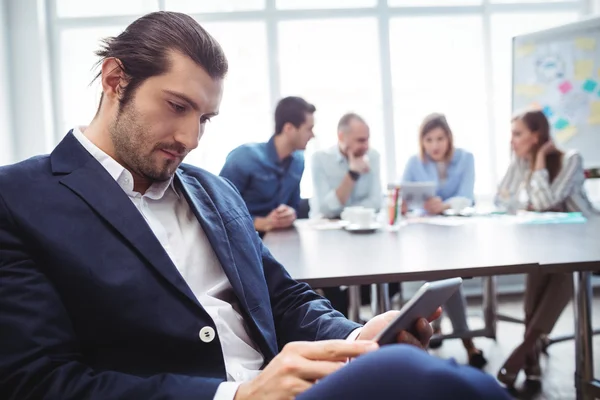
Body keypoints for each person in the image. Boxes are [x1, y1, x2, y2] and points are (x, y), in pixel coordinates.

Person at [0, 12, 512, 400]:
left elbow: (284, 299)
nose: (190, 137)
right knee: (427, 381)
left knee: (439, 378)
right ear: (116, 81)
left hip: (298, 387)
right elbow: (38, 380)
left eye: (205, 119)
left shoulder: (214, 191)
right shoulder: (19, 199)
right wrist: (237, 395)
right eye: (178, 107)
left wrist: (356, 335)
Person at [495, 109, 599, 390]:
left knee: (563, 273)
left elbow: (544, 203)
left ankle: (525, 349)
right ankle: (531, 354)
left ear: (536, 135)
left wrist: (539, 162)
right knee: (536, 274)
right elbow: (501, 200)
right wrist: (523, 169)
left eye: (518, 134)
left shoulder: (570, 159)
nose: (512, 140)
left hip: (585, 243)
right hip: (548, 242)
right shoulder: (520, 161)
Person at [401, 113, 487, 369]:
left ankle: (452, 336)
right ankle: (465, 340)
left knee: (447, 280)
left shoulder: (465, 158)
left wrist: (445, 205)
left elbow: (468, 198)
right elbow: (405, 198)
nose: (435, 145)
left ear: (449, 138)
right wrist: (405, 205)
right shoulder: (414, 162)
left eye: (440, 138)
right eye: (429, 139)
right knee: (444, 281)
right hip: (425, 237)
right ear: (422, 141)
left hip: (456, 236)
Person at [220, 96, 315, 234]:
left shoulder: (298, 162)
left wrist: (290, 214)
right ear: (289, 128)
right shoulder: (243, 158)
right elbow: (219, 209)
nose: (312, 135)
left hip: (279, 239)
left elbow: (293, 205)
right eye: (309, 129)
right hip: (244, 240)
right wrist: (258, 223)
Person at [310, 112, 382, 218]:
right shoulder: (320, 159)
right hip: (328, 230)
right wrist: (352, 174)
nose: (366, 146)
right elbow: (325, 210)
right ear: (341, 137)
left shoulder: (372, 156)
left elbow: (376, 203)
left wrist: (344, 213)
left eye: (367, 139)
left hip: (362, 225)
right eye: (360, 140)